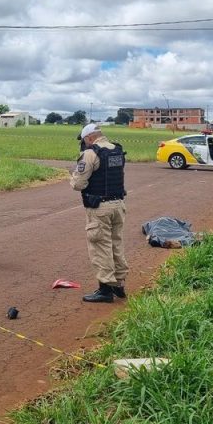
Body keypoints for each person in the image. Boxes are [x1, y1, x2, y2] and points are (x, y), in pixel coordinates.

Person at [70, 123, 128, 303]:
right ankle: (119, 285)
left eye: (84, 141)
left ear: (89, 138)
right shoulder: (116, 150)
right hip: (118, 204)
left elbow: (78, 184)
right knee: (115, 244)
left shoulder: (90, 153)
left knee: (100, 246)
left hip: (100, 207)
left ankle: (105, 289)